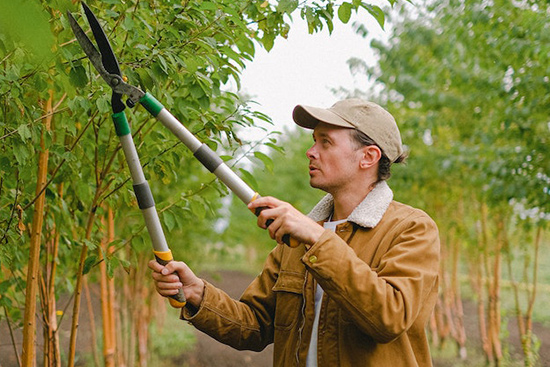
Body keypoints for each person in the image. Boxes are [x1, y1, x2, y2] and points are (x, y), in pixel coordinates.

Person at [149, 98, 440, 367]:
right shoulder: (297, 238)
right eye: (314, 141)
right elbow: (256, 325)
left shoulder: (411, 229)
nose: (310, 152)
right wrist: (198, 294)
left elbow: (388, 317)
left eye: (326, 142)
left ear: (368, 156)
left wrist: (317, 238)